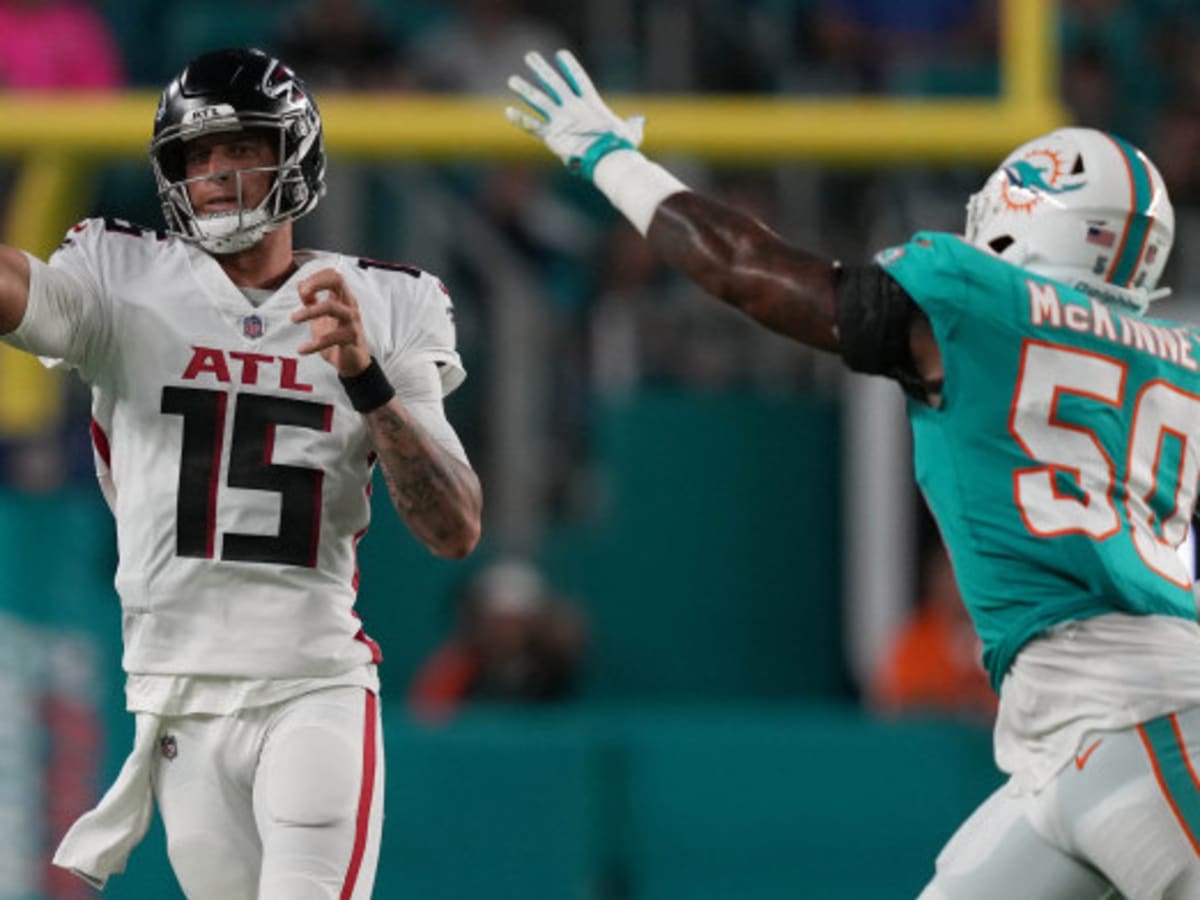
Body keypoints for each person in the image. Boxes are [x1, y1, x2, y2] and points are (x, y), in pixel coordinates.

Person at [507, 50, 1200, 899]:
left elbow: (749, 273)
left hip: (1140, 719)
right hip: (1078, 740)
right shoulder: (1185, 359)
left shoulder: (977, 300)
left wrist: (610, 157)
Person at [0, 47, 482, 899]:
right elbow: (15, 288)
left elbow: (454, 528)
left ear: (292, 155)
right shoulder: (123, 279)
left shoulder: (388, 304)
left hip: (311, 687)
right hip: (178, 701)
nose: (216, 175)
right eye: (196, 156)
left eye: (240, 149)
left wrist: (368, 382)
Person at [407, 558, 586, 722]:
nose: (506, 632)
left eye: (517, 622)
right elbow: (427, 717)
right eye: (497, 622)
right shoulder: (458, 667)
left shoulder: (555, 669)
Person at [869, 541, 996, 723]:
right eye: (949, 576)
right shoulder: (917, 638)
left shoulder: (1000, 635)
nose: (956, 587)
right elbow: (893, 703)